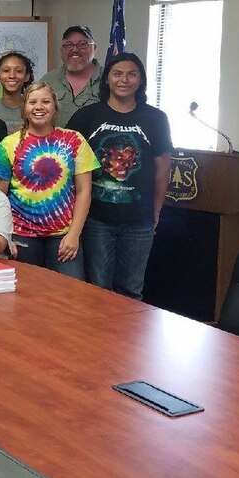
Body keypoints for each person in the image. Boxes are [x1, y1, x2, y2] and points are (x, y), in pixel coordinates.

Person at [69, 53, 173, 300]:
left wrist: (156, 210)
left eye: (131, 74)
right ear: (107, 80)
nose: (124, 80)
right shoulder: (87, 116)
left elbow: (163, 169)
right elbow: (69, 164)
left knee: (131, 291)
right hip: (96, 220)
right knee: (97, 290)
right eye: (117, 74)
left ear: (140, 80)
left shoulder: (156, 119)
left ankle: (127, 339)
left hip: (139, 221)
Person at [0, 81, 98, 279]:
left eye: (46, 101)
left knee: (71, 298)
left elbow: (84, 191)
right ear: (24, 108)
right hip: (21, 236)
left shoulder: (74, 140)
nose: (39, 107)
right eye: (32, 102)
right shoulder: (8, 144)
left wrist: (74, 235)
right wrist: (2, 235)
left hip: (63, 236)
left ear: (55, 107)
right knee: (27, 300)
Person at [42, 26, 103, 127]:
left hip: (96, 142)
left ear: (94, 48)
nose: (75, 49)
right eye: (68, 45)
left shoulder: (109, 79)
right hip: (55, 142)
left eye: (82, 44)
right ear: (62, 50)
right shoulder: (48, 80)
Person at [0, 51, 34, 128]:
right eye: (6, 71)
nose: (12, 75)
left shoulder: (35, 109)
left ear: (27, 76)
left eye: (19, 71)